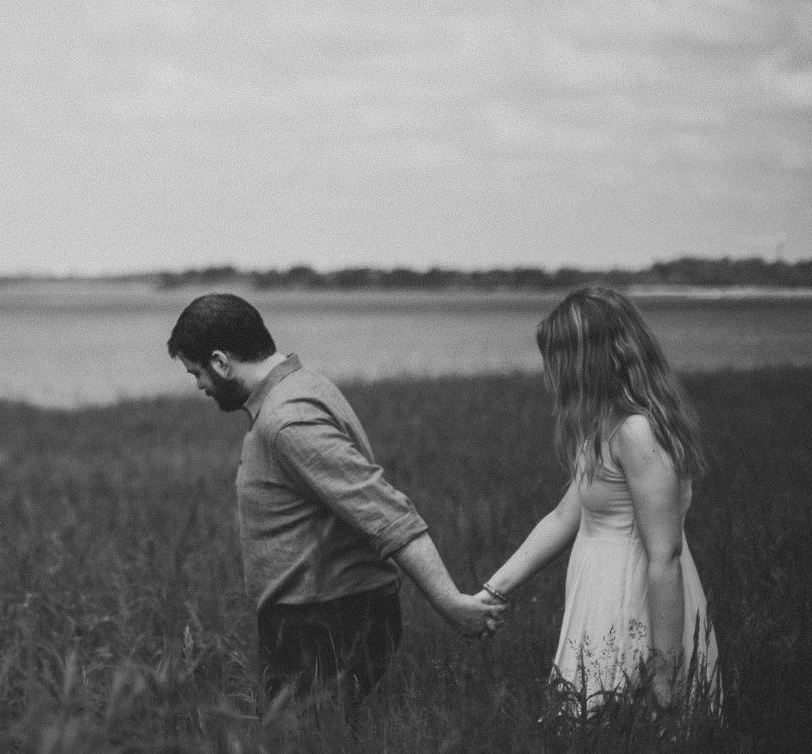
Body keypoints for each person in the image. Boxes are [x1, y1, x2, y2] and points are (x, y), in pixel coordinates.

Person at [168, 293, 505, 711]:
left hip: (324, 622)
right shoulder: (303, 386)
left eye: (196, 372)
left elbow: (384, 511)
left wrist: (451, 603)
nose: (199, 385)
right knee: (321, 753)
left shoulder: (287, 421)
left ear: (220, 362)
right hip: (321, 617)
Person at [476, 286, 720, 715]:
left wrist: (666, 670)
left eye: (556, 360)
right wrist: (493, 592)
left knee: (633, 734)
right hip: (600, 593)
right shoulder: (603, 426)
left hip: (633, 598)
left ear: (585, 361)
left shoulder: (637, 433)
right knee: (597, 739)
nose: (551, 374)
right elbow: (564, 517)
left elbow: (664, 555)